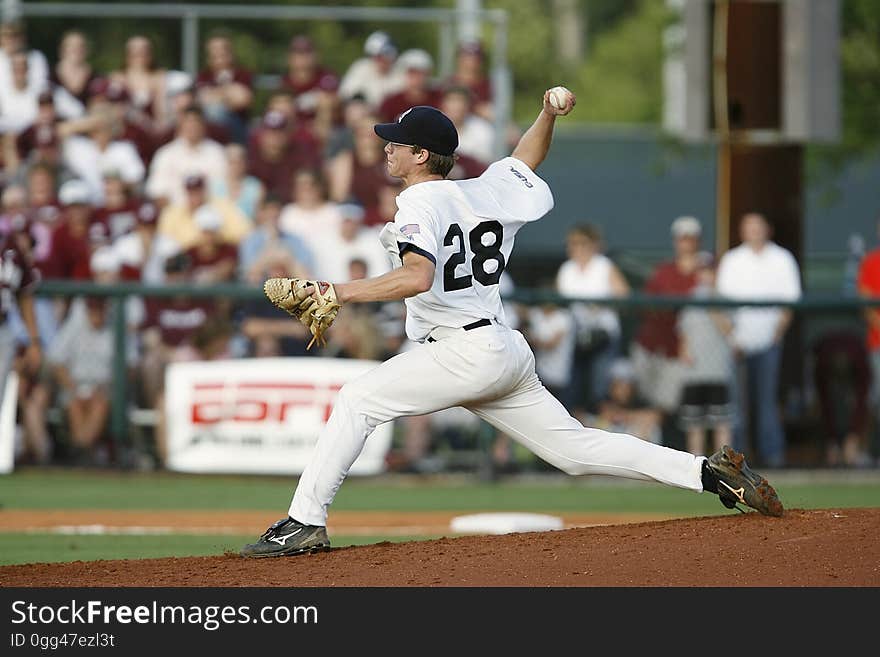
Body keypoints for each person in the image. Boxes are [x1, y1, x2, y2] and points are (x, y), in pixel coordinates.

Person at [240, 93, 784, 558]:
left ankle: (304, 521)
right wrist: (548, 113)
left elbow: (416, 275)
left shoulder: (417, 203)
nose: (387, 147)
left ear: (421, 155)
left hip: (460, 353)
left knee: (357, 400)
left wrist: (337, 291)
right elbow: (527, 158)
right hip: (500, 348)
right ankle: (706, 473)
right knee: (575, 451)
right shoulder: (485, 189)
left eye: (396, 142)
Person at [716, 212, 802, 467]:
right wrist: (732, 337)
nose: (754, 232)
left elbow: (790, 302)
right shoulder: (732, 260)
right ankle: (738, 463)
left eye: (758, 227)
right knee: (737, 405)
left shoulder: (782, 259)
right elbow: (720, 305)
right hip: (737, 343)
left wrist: (776, 335)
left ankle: (773, 456)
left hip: (769, 341)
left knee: (767, 401)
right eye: (749, 227)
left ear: (768, 230)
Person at [632, 215, 703, 440]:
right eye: (682, 239)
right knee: (648, 398)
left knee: (666, 403)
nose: (685, 243)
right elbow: (646, 305)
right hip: (651, 345)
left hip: (682, 350)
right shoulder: (664, 270)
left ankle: (643, 441)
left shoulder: (705, 271)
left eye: (690, 239)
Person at [556, 223, 629, 418]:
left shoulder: (603, 265)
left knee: (600, 388)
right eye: (573, 243)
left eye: (582, 243)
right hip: (576, 337)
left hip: (603, 335)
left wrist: (600, 305)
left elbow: (623, 295)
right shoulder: (566, 269)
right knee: (573, 387)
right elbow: (559, 303)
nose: (577, 248)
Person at [677, 258, 735, 456]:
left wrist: (712, 307)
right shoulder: (690, 299)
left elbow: (729, 330)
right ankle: (696, 465)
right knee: (694, 424)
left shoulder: (724, 299)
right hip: (694, 372)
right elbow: (683, 332)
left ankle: (727, 467)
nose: (706, 276)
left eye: (710, 271)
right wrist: (684, 352)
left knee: (721, 422)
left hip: (718, 371)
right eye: (702, 271)